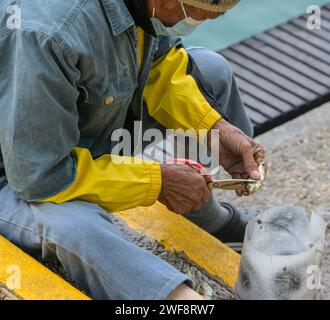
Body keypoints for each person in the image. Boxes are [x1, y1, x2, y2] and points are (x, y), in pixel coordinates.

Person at [0, 0, 265, 300]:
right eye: (189, 15)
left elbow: (160, 64)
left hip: (82, 128)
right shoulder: (45, 34)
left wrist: (215, 127)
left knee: (212, 72)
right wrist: (157, 181)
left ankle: (210, 220)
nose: (191, 23)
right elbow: (40, 177)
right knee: (75, 225)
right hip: (17, 171)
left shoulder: (147, 8)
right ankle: (176, 299)